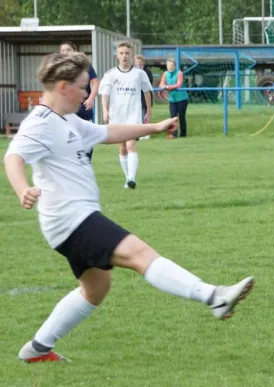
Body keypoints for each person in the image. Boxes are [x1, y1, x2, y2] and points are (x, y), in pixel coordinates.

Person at [4, 52, 254, 363]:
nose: (86, 93)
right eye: (83, 87)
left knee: (96, 289)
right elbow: (13, 157)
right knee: (140, 255)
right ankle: (215, 297)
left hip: (71, 222)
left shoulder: (67, 120)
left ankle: (38, 348)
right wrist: (22, 189)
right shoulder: (40, 124)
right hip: (71, 220)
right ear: (64, 86)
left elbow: (109, 133)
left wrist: (155, 127)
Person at [100, 41, 152, 189]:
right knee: (122, 147)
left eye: (127, 53)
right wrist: (105, 110)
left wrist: (148, 110)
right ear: (117, 55)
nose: (124, 56)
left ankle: (131, 178)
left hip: (133, 115)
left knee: (131, 144)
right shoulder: (111, 74)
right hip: (117, 115)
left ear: (131, 55)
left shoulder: (139, 74)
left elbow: (147, 91)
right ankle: (127, 177)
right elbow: (105, 93)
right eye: (121, 53)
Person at [59, 41, 99, 160]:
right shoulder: (59, 69)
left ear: (74, 51)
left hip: (83, 107)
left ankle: (86, 159)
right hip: (67, 110)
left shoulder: (84, 66)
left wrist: (91, 98)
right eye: (63, 50)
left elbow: (95, 82)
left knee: (87, 138)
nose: (66, 52)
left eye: (68, 50)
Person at [159, 59, 189, 139]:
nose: (170, 67)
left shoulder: (179, 73)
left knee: (182, 116)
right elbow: (161, 84)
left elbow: (179, 84)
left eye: (172, 65)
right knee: (173, 117)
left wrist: (168, 87)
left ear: (175, 66)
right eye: (168, 66)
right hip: (172, 99)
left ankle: (183, 134)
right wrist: (163, 86)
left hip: (182, 99)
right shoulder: (165, 73)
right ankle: (173, 134)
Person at [135, 54, 154, 140]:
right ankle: (138, 133)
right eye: (137, 62)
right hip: (136, 98)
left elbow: (148, 84)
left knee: (145, 114)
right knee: (138, 115)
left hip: (144, 98)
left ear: (142, 62)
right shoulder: (133, 71)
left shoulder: (147, 71)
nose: (138, 64)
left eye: (140, 62)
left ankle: (146, 133)